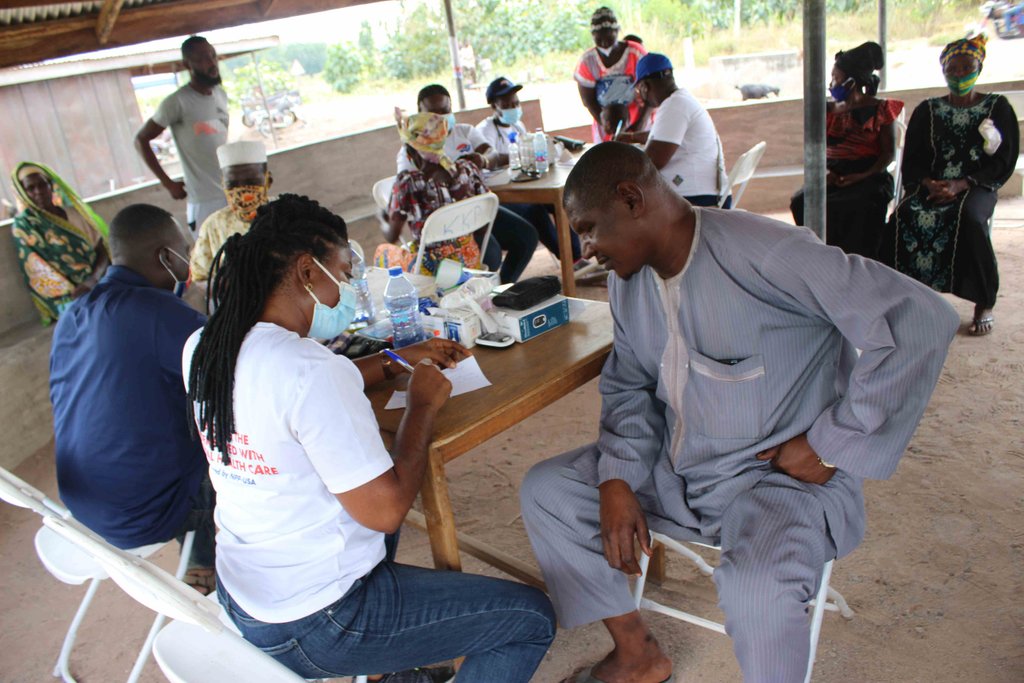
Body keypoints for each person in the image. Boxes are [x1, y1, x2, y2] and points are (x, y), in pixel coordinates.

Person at [519, 143, 959, 683]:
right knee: (549, 490)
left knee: (759, 588)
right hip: (676, 471)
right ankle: (637, 655)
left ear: (631, 199)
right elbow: (630, 385)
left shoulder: (767, 252)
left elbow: (917, 318)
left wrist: (833, 443)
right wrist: (616, 478)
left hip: (777, 482)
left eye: (589, 229)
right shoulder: (627, 282)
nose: (587, 251)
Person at [183, 194, 555, 680]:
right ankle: (376, 655)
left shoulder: (205, 346)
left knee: (365, 465)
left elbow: (289, 400)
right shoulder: (308, 371)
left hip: (247, 594)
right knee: (529, 619)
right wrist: (421, 406)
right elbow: (386, 512)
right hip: (318, 623)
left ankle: (387, 670)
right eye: (344, 273)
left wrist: (391, 362)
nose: (350, 288)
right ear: (307, 272)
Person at [49, 204, 214, 592]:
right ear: (165, 256)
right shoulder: (160, 313)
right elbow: (237, 370)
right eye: (183, 252)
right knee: (225, 447)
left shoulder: (73, 313)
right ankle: (203, 566)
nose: (187, 260)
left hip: (81, 501)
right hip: (140, 514)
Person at [882, 34, 1018, 337]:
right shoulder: (928, 110)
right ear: (944, 70)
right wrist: (929, 183)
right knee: (904, 216)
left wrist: (963, 184)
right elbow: (913, 159)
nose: (959, 75)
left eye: (966, 67)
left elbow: (1003, 160)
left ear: (979, 67)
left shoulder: (997, 108)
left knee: (969, 218)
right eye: (953, 69)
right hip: (932, 186)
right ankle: (904, 299)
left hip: (975, 186)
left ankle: (984, 301)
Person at [379, 112, 538, 283]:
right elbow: (483, 225)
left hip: (433, 270)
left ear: (409, 152)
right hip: (471, 258)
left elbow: (392, 236)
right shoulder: (468, 169)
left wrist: (381, 216)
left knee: (382, 252)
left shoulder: (407, 183)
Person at [790, 42, 903, 259]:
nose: (832, 83)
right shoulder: (827, 110)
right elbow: (816, 149)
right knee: (801, 201)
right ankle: (824, 259)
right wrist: (826, 175)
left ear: (853, 81)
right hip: (834, 174)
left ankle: (860, 264)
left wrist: (860, 176)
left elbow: (888, 154)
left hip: (870, 175)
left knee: (860, 207)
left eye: (837, 78)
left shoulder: (879, 108)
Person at [475, 76, 583, 265]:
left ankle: (575, 256)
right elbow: (490, 161)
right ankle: (570, 262)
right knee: (534, 210)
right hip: (500, 194)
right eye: (506, 104)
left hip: (522, 185)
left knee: (560, 201)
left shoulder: (518, 125)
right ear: (494, 107)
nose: (513, 107)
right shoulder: (484, 131)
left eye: (515, 102)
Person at [135, 35, 229, 234]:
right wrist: (167, 183)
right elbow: (141, 140)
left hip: (230, 194)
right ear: (187, 64)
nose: (212, 62)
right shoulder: (178, 102)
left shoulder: (220, 95)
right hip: (204, 201)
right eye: (203, 58)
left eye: (212, 55)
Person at [619, 53, 730, 208]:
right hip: (705, 193)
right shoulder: (680, 100)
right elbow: (661, 136)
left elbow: (652, 162)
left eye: (638, 90)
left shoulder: (674, 106)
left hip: (699, 200)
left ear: (645, 86)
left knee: (623, 207)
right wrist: (632, 137)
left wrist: (617, 166)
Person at [10, 162, 110, 326]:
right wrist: (78, 289)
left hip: (98, 278)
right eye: (31, 188)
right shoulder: (24, 227)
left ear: (51, 186)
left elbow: (102, 249)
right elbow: (37, 271)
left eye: (43, 185)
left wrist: (93, 279)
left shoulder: (74, 214)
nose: (39, 192)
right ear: (23, 192)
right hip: (69, 295)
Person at [190, 141, 273, 285]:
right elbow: (200, 278)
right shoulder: (213, 225)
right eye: (232, 185)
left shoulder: (290, 215)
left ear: (268, 180)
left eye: (251, 181)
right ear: (223, 185)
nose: (242, 191)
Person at [575, 7, 647, 143]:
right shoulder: (587, 61)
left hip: (638, 120)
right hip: (606, 125)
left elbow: (651, 90)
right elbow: (588, 100)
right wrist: (603, 121)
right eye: (599, 39)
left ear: (617, 31)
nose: (604, 43)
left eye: (609, 37)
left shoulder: (636, 53)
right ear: (592, 36)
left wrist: (640, 124)